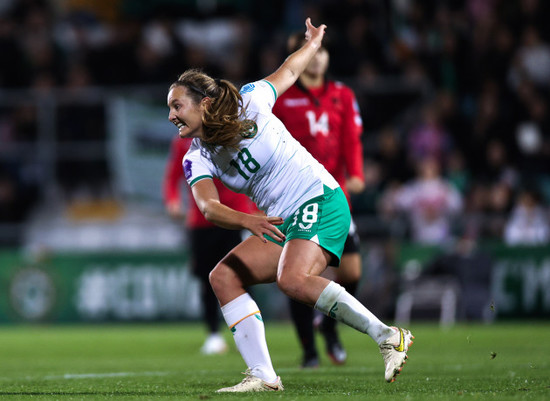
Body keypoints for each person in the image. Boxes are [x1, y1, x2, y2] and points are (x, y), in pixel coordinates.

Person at [167, 18, 413, 393]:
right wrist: (249, 220)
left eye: (177, 106)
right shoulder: (196, 157)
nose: (171, 116)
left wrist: (313, 44)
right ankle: (264, 375)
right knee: (223, 276)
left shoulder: (251, 100)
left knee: (292, 279)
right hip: (282, 221)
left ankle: (387, 335)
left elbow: (291, 69)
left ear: (203, 103)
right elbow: (209, 208)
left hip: (319, 197)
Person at [272, 32, 365, 368]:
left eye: (321, 50)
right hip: (295, 199)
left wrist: (356, 173)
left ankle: (328, 325)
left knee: (352, 272)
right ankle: (309, 350)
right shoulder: (281, 101)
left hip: (334, 195)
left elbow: (351, 138)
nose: (316, 57)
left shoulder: (342, 94)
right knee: (296, 273)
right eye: (308, 51)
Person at [163, 135, 255, 354]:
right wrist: (173, 200)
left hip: (235, 218)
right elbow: (172, 176)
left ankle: (248, 331)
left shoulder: (232, 132)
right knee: (207, 280)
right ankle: (214, 334)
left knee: (242, 277)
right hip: (201, 221)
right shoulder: (182, 142)